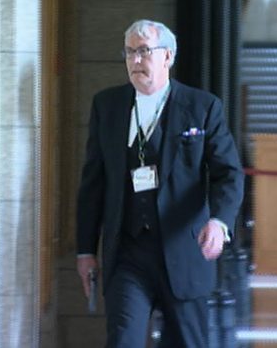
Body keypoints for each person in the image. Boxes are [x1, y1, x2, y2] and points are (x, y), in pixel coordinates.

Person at [76, 19, 244, 348]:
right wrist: (85, 250)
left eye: (143, 51)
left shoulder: (202, 107)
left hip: (185, 249)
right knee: (123, 340)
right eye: (128, 53)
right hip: (127, 252)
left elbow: (229, 173)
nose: (135, 60)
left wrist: (219, 222)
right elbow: (92, 184)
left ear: (167, 56)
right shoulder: (106, 106)